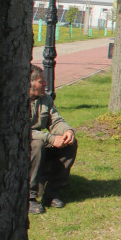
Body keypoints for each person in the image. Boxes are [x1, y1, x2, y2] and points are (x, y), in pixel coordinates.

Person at [29, 65, 78, 214]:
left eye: (44, 81)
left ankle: (51, 192)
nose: (45, 84)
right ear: (29, 83)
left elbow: (55, 120)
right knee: (37, 144)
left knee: (70, 144)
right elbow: (21, 131)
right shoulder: (14, 101)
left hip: (41, 140)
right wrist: (50, 138)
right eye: (40, 81)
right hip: (21, 146)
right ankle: (29, 197)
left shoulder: (45, 99)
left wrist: (67, 131)